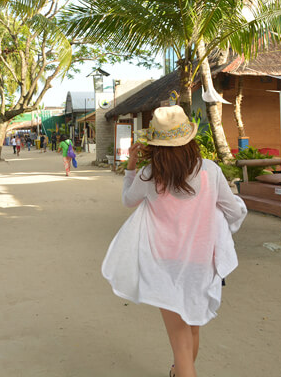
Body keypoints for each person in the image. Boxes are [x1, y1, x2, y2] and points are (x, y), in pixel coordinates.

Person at [101, 106, 246, 377]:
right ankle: (176, 372)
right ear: (188, 140)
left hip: (164, 264)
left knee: (180, 343)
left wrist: (131, 166)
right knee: (191, 329)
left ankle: (180, 371)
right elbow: (233, 210)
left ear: (155, 145)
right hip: (200, 262)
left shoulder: (150, 174)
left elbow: (128, 201)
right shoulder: (210, 171)